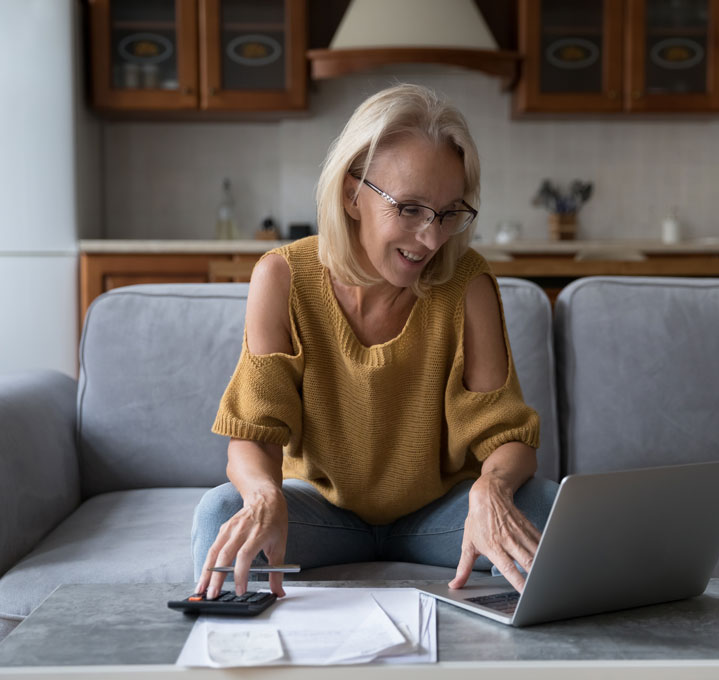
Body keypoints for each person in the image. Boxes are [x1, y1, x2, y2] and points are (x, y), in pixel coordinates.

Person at [192, 83, 558, 601]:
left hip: (438, 516)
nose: (432, 239)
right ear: (351, 193)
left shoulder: (466, 282)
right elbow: (254, 433)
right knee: (221, 513)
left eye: (449, 212)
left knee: (543, 510)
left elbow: (507, 438)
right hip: (321, 513)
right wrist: (262, 495)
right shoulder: (283, 277)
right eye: (410, 209)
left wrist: (491, 489)